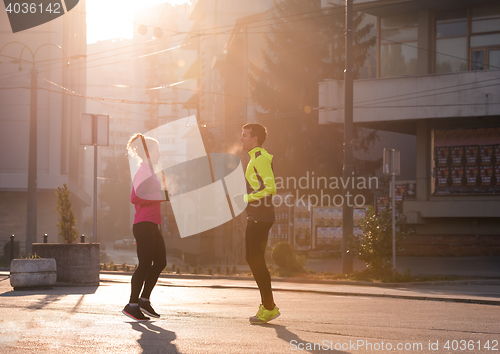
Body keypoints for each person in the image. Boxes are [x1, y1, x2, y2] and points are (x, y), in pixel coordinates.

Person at [236, 123, 280, 324]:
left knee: (255, 260)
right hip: (258, 215)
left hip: (260, 216)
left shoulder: (260, 159)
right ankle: (268, 306)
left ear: (255, 139)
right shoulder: (255, 157)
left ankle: (269, 307)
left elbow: (271, 188)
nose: (241, 138)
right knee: (254, 259)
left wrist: (247, 198)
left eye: (244, 135)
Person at [122, 133, 167, 321]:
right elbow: (135, 197)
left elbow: (151, 193)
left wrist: (163, 193)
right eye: (157, 150)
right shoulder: (144, 171)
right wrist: (159, 195)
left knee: (160, 262)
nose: (160, 154)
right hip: (143, 224)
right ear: (148, 152)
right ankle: (132, 304)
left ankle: (144, 300)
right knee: (145, 264)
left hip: (152, 225)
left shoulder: (150, 171)